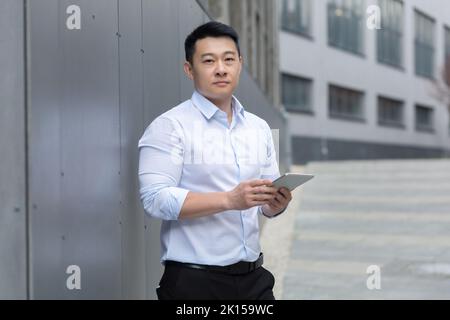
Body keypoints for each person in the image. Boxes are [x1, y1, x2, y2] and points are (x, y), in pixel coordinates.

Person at [138, 21, 292, 300]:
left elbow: (264, 202)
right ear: (189, 69)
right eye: (208, 60)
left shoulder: (259, 128)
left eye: (228, 59)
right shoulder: (170, 127)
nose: (221, 68)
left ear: (240, 64)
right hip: (194, 284)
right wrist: (229, 200)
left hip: (255, 282)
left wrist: (274, 205)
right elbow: (154, 199)